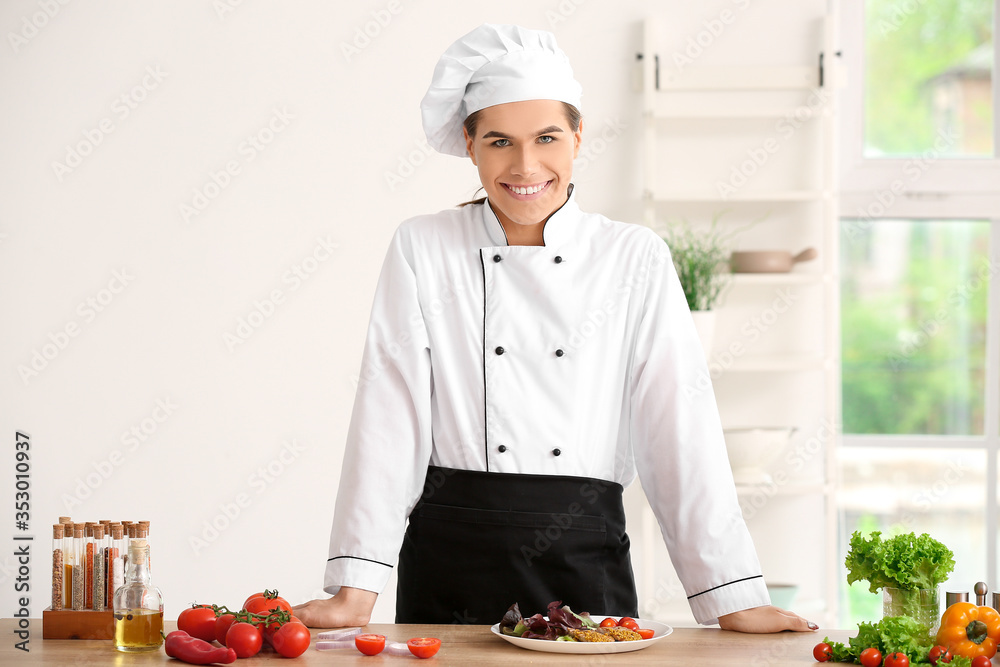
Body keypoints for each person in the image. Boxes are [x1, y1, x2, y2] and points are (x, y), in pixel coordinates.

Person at [294, 23, 818, 634]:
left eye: (546, 137)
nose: (525, 165)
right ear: (469, 144)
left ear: (577, 136)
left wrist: (731, 596)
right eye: (498, 141)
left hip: (583, 554)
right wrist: (354, 590)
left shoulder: (633, 256)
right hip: (450, 562)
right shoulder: (423, 247)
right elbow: (389, 417)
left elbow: (679, 427)